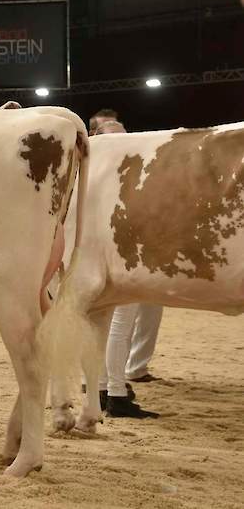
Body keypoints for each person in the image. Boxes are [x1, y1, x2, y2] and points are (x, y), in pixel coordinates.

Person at [89, 117, 163, 418]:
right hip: (119, 255)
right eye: (114, 137)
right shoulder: (115, 175)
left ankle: (104, 388)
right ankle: (116, 392)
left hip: (108, 255)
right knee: (118, 324)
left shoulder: (95, 173)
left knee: (106, 326)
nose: (123, 141)